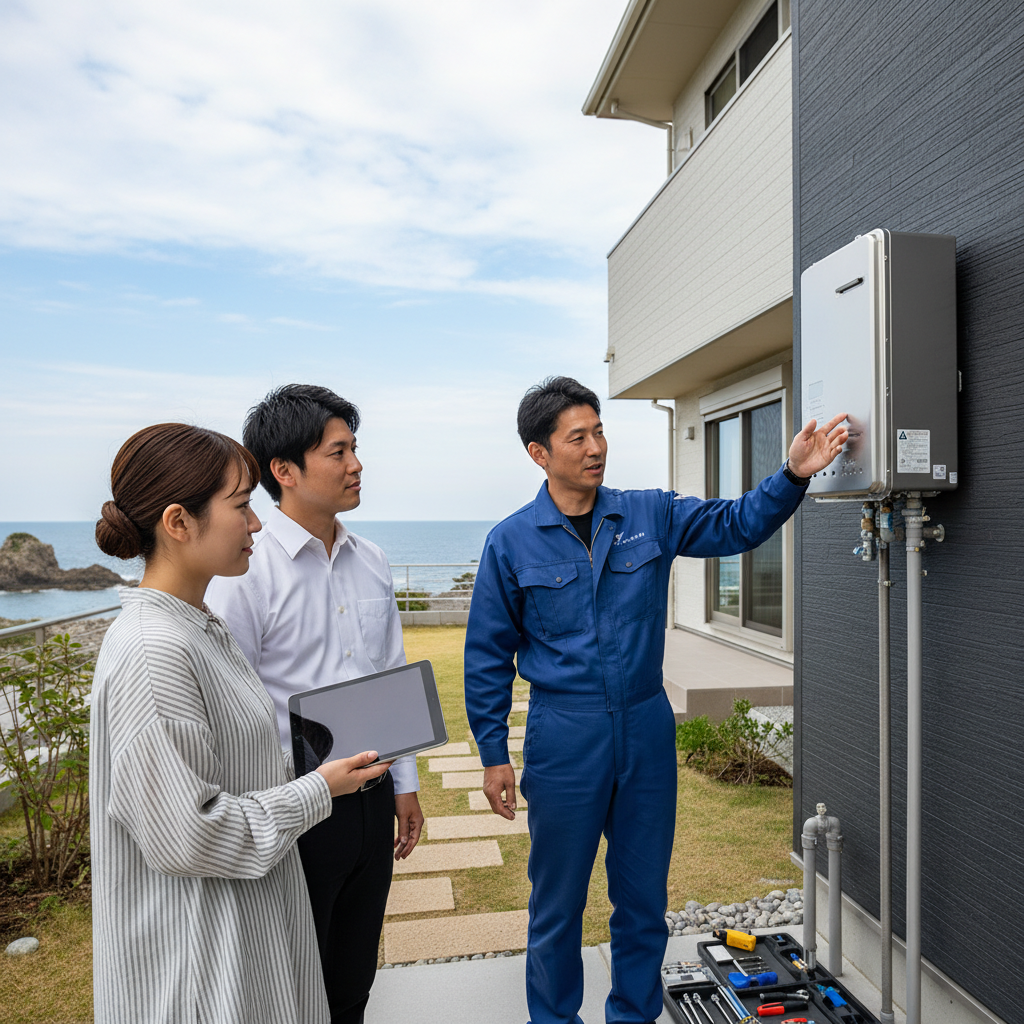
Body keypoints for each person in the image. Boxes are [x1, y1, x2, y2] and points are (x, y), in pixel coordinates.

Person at [464, 376, 848, 1024]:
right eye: (577, 437)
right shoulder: (510, 542)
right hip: (564, 733)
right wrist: (493, 751)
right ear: (539, 453)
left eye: (600, 431)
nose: (596, 447)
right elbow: (485, 656)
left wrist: (791, 474)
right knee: (555, 905)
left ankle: (632, 1017)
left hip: (644, 725)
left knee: (642, 902)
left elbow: (736, 524)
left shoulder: (648, 514)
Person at [90, 423, 391, 1024]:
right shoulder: (154, 651)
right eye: (240, 506)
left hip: (245, 932)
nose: (256, 523)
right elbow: (189, 834)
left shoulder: (201, 627)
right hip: (198, 962)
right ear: (178, 522)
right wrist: (319, 788)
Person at [205, 384, 423, 1024]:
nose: (356, 464)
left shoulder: (372, 559)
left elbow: (389, 673)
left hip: (373, 795)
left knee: (355, 973)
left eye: (355, 448)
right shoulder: (245, 571)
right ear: (285, 471)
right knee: (293, 982)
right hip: (295, 806)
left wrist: (404, 785)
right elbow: (231, 705)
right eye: (339, 451)